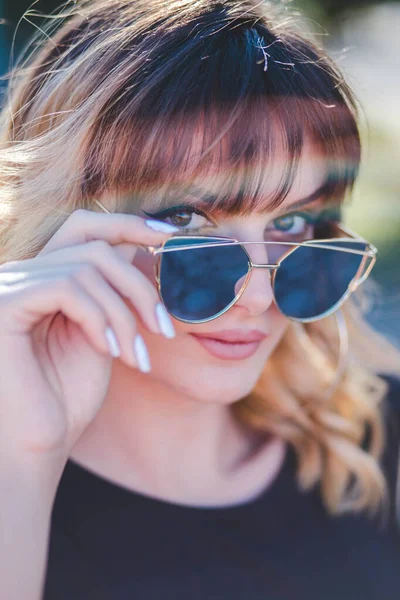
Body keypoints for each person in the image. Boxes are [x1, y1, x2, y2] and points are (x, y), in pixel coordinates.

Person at [0, 0, 400, 598]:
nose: (259, 295)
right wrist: (23, 459)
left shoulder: (376, 437)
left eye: (291, 222)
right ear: (63, 223)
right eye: (186, 219)